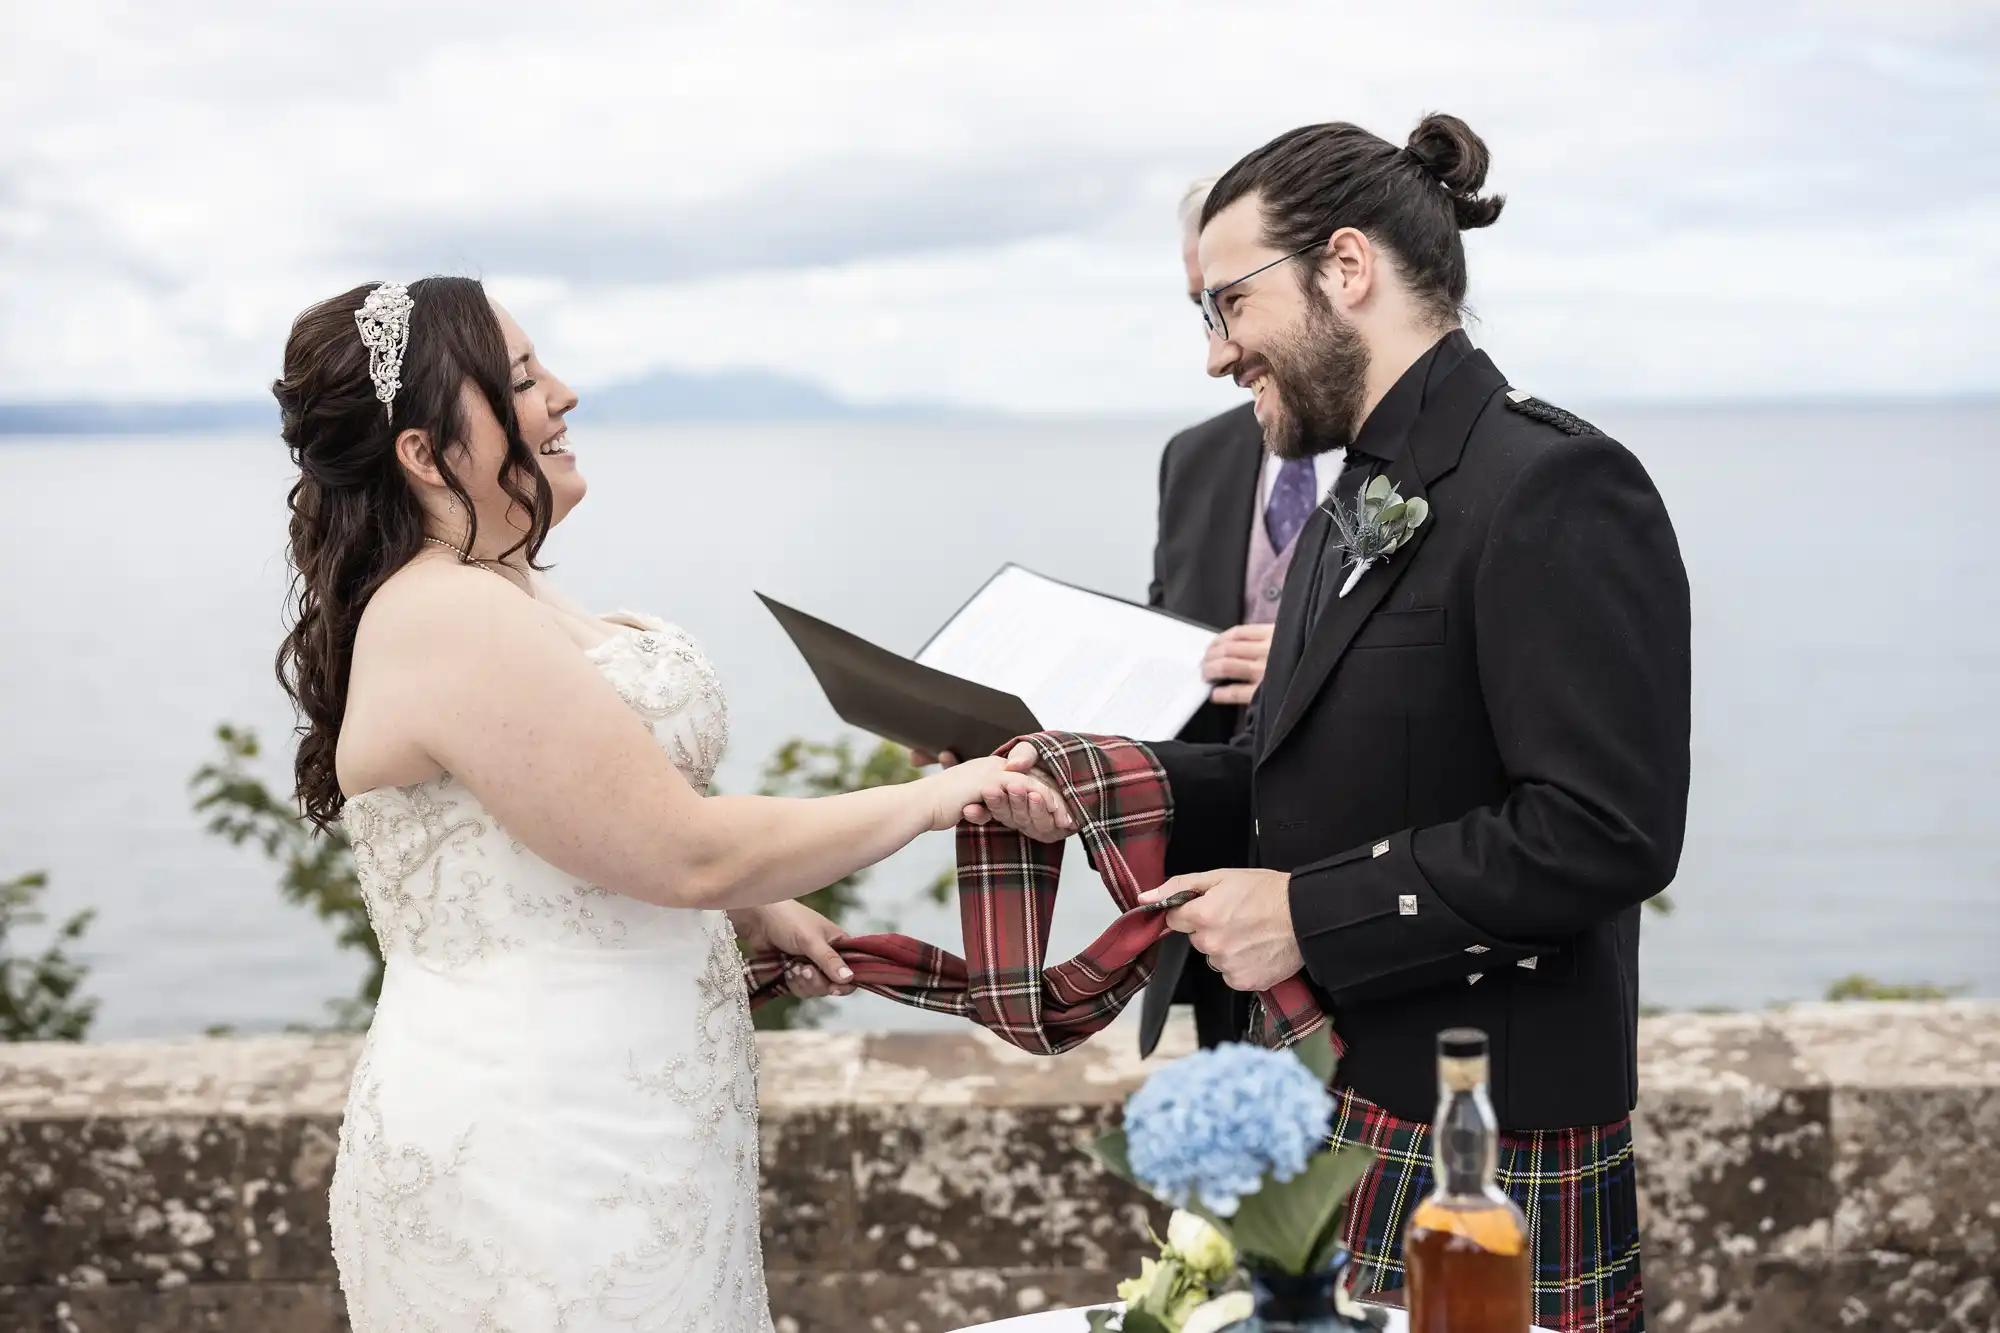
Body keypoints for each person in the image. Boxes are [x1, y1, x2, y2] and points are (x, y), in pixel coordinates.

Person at [989, 114, 1688, 1328]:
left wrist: (1306, 911)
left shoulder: (1552, 484)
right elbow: (1280, 772)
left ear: (1345, 269)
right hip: (1344, 1103)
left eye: (1226, 306)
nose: (1213, 355)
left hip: (1489, 1133)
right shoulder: (1357, 493)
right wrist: (1082, 779)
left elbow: (1601, 831)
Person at [277, 276, 1067, 1332]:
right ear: (423, 454)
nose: (561, 394)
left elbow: (576, 817)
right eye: (518, 380)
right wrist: (935, 799)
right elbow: (681, 849)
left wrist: (753, 903)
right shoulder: (446, 615)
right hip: (541, 1142)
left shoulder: (500, 586)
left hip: (629, 1114)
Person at [1145, 176, 1354, 1050]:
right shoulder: (1191, 459)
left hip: (1362, 923)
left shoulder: (1449, 465)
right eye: (1201, 306)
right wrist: (1015, 738)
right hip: (1214, 932)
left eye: (1231, 302)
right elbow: (1171, 662)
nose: (1219, 345)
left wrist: (1316, 658)